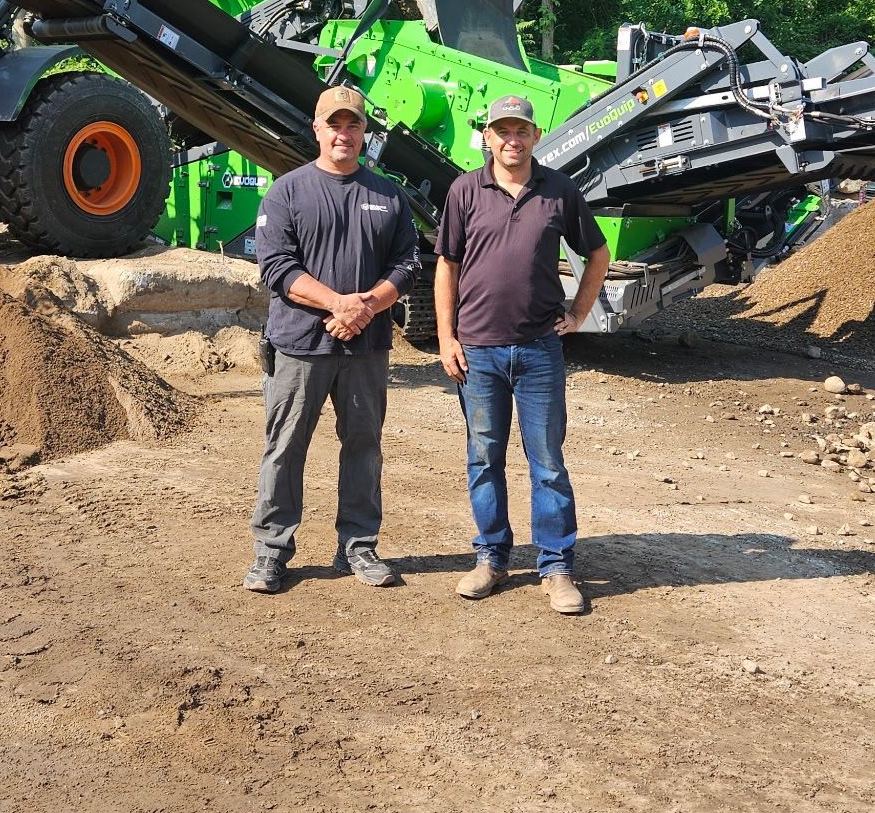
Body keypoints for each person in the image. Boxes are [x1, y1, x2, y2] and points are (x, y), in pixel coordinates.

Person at [434, 93, 611, 615]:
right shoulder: (465, 190)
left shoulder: (559, 190)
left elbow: (597, 254)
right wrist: (446, 338)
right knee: (484, 458)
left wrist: (578, 315)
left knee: (548, 462)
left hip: (539, 351)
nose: (512, 140)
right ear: (487, 137)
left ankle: (555, 567)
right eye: (502, 131)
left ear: (535, 136)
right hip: (479, 351)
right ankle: (491, 557)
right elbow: (447, 266)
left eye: (521, 131)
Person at [244, 84, 420, 594]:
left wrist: (365, 306)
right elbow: (275, 266)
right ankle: (272, 550)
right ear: (317, 129)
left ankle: (358, 547)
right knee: (285, 448)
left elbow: (408, 264)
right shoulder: (288, 191)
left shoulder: (388, 195)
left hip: (365, 347)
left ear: (365, 132)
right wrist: (339, 303)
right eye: (334, 124)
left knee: (363, 446)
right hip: (300, 344)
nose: (344, 133)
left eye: (354, 124)